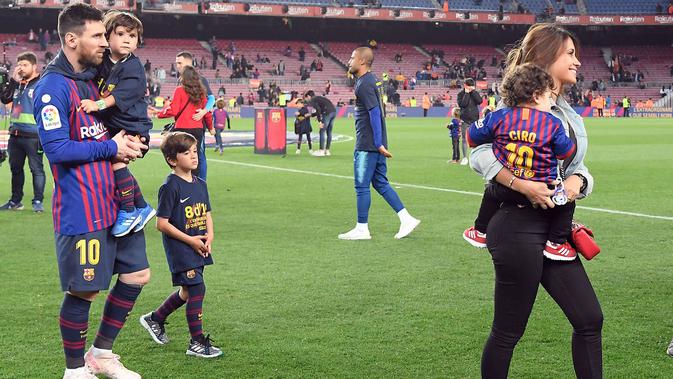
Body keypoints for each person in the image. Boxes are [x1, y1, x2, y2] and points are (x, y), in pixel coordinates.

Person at [470, 23, 602, 378]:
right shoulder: (517, 105)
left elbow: (575, 166)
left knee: (590, 319)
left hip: (554, 227)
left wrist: (579, 180)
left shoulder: (566, 111)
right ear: (546, 57)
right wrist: (520, 183)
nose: (577, 61)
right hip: (515, 223)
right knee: (508, 331)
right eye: (570, 54)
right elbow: (479, 153)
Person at [34, 4, 150, 378]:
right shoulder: (52, 87)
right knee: (84, 291)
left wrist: (134, 143)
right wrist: (112, 148)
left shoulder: (99, 78)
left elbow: (113, 127)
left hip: (117, 201)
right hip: (81, 208)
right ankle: (73, 370)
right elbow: (57, 150)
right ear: (72, 39)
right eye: (98, 35)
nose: (106, 42)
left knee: (137, 275)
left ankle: (101, 353)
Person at [464, 63, 578, 261]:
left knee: (490, 191)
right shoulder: (552, 123)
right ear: (536, 95)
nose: (550, 102)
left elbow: (471, 137)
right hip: (545, 190)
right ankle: (556, 243)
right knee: (567, 203)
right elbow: (565, 152)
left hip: (507, 191)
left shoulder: (498, 117)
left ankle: (480, 231)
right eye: (547, 96)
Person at [138, 131, 223, 358]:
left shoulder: (200, 183)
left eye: (195, 151)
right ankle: (196, 342)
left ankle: (155, 318)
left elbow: (206, 214)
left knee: (187, 291)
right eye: (187, 153)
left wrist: (209, 236)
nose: (193, 156)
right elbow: (161, 224)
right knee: (197, 288)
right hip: (181, 249)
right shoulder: (170, 186)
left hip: (199, 245)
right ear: (172, 160)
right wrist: (190, 240)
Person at [79, 10, 156, 237]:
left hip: (133, 125)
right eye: (120, 33)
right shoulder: (103, 60)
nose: (126, 39)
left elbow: (121, 95)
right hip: (116, 125)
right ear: (107, 37)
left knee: (116, 161)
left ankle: (129, 210)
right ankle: (142, 205)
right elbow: (89, 75)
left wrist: (97, 105)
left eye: (132, 36)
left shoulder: (133, 67)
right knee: (114, 163)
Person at [338, 47, 420, 240]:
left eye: (352, 58)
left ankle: (362, 228)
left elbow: (375, 113)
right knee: (380, 183)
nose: (349, 61)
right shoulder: (368, 81)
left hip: (368, 144)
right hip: (375, 142)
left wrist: (377, 143)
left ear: (362, 61)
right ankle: (406, 218)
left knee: (361, 185)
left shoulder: (364, 84)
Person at [0, 52, 45, 212]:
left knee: (36, 170)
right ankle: (15, 201)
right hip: (15, 135)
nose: (21, 68)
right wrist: (12, 80)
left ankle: (38, 201)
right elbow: (5, 99)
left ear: (34, 66)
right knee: (15, 169)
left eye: (24, 65)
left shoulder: (42, 84)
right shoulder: (19, 84)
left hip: (34, 136)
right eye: (19, 65)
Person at [158, 66, 214, 177]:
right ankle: (194, 185)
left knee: (179, 158)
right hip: (197, 130)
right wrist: (211, 128)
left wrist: (160, 114)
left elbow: (174, 110)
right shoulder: (201, 92)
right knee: (194, 158)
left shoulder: (179, 90)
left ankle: (181, 184)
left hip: (182, 129)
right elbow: (207, 112)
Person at [174, 51, 215, 180]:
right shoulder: (181, 79)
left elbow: (212, 98)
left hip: (197, 124)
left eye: (179, 63)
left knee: (199, 155)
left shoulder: (200, 79)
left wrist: (204, 111)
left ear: (188, 62)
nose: (177, 66)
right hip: (185, 124)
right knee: (185, 155)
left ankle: (201, 183)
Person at [457, 78, 482, 165]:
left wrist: (473, 92)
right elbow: (463, 104)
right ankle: (464, 158)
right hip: (465, 119)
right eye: (469, 86)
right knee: (464, 139)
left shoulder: (475, 93)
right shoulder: (461, 94)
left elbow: (480, 101)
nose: (471, 87)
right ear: (465, 85)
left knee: (476, 138)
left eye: (472, 86)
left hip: (475, 119)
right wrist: (467, 93)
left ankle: (476, 157)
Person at [304, 90, 336, 157]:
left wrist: (320, 121)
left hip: (327, 113)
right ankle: (327, 150)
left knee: (322, 131)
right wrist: (311, 115)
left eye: (306, 98)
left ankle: (321, 150)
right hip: (333, 112)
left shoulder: (313, 100)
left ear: (309, 96)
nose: (306, 100)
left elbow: (318, 109)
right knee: (329, 132)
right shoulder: (319, 98)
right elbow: (320, 109)